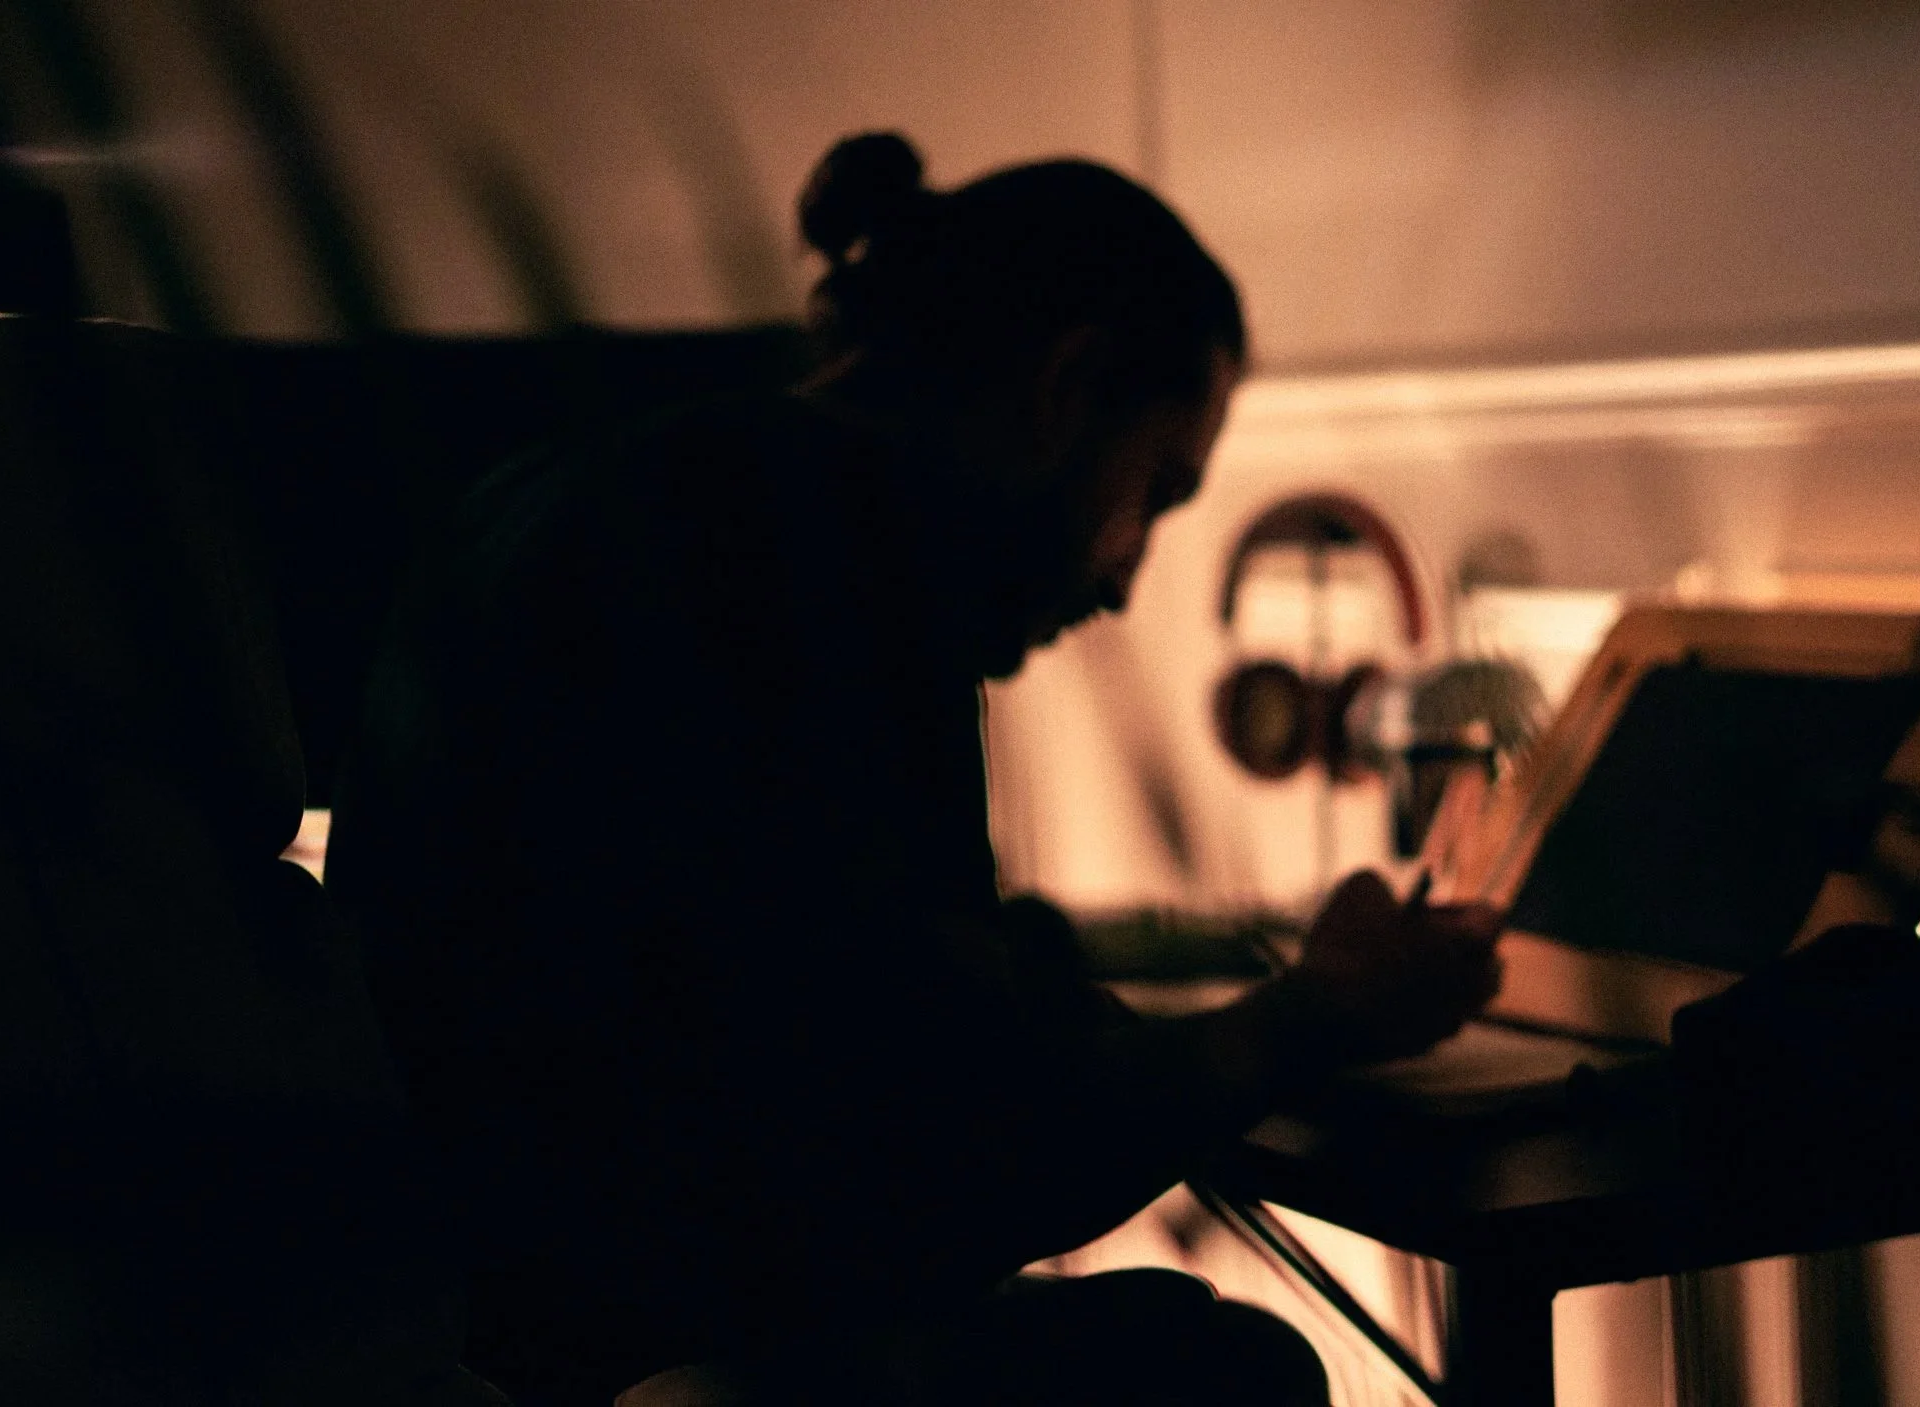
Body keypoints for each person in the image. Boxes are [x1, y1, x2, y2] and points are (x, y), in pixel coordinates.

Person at [326, 131, 1505, 1406]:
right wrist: (1315, 1012)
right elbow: (954, 1162)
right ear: (1069, 386)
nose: (1123, 579)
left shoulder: (602, 493)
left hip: (475, 1334)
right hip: (662, 1355)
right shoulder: (810, 568)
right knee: (1234, 1372)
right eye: (1157, 489)